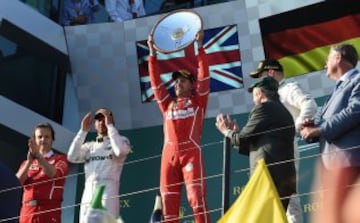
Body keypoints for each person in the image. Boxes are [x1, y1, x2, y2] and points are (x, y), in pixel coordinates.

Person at [147, 30, 210, 223]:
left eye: (182, 81)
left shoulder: (198, 102)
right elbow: (156, 83)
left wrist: (200, 47)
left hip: (190, 153)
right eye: (176, 82)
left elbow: (204, 75)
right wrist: (152, 54)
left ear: (192, 85)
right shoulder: (167, 104)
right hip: (168, 156)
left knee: (196, 199)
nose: (177, 84)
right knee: (169, 207)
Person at [249, 59, 318, 223]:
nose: (260, 80)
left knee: (289, 197)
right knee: (270, 196)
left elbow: (310, 104)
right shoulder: (270, 95)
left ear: (271, 73)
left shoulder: (288, 88)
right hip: (269, 150)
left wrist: (292, 129)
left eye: (262, 75)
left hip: (286, 148)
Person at [215, 77, 296, 210]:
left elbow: (242, 138)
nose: (253, 101)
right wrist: (235, 134)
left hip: (269, 177)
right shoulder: (283, 111)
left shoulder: (264, 108)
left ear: (259, 94)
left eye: (254, 96)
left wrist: (227, 131)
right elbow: (258, 146)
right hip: (283, 179)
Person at [300, 44, 360, 222]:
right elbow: (326, 123)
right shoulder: (335, 91)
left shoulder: (357, 80)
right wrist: (311, 127)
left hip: (350, 164)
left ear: (338, 58)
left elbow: (356, 110)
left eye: (328, 58)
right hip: (333, 167)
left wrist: (320, 129)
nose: (325, 64)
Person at [67, 108, 131, 223]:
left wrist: (110, 127)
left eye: (104, 119)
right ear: (95, 124)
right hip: (88, 194)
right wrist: (82, 131)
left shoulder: (121, 140)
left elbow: (120, 151)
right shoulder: (89, 146)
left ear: (111, 121)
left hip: (108, 193)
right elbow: (71, 156)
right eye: (98, 120)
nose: (101, 122)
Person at [16, 123, 69, 223]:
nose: (43, 140)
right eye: (39, 137)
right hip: (27, 211)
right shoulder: (26, 162)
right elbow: (16, 182)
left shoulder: (60, 159)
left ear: (52, 140)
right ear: (34, 140)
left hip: (48, 211)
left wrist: (38, 157)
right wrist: (29, 162)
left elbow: (53, 174)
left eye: (47, 137)